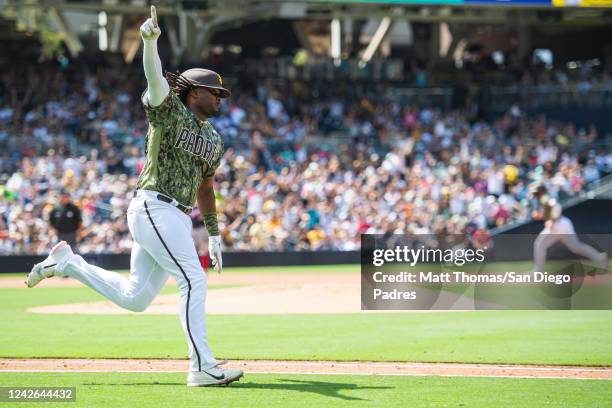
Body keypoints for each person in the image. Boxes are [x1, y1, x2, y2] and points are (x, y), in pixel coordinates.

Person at [25, 6, 243, 387]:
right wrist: (149, 44)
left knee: (135, 297)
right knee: (193, 281)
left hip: (174, 216)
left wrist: (213, 233)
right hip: (153, 207)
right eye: (216, 92)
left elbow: (206, 186)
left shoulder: (214, 138)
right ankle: (202, 367)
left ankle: (68, 263)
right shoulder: (170, 111)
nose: (221, 99)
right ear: (194, 93)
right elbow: (156, 81)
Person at [533, 198, 608, 274]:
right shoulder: (543, 205)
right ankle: (599, 257)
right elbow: (546, 216)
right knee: (576, 247)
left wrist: (551, 220)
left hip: (559, 225)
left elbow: (555, 212)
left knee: (540, 245)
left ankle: (538, 271)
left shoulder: (550, 202)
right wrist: (541, 216)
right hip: (564, 225)